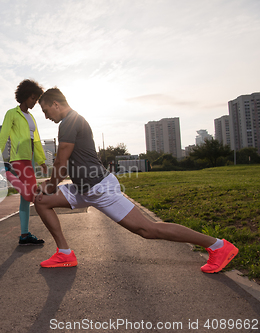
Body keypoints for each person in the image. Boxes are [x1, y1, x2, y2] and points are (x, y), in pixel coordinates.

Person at [33, 88, 238, 273]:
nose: (46, 116)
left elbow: (61, 160)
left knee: (147, 230)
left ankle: (218, 246)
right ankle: (65, 253)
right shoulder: (72, 121)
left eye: (45, 110)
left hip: (100, 189)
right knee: (41, 201)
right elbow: (67, 162)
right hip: (83, 188)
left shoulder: (70, 121)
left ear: (55, 104)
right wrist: (50, 186)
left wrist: (51, 185)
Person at [0, 79, 48, 245]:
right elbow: (3, 136)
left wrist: (41, 160)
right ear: (24, 96)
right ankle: (6, 172)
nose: (34, 102)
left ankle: (24, 235)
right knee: (30, 194)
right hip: (18, 158)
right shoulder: (12, 113)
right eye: (32, 98)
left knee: (25, 199)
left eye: (36, 99)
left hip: (29, 158)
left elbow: (36, 140)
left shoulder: (31, 118)